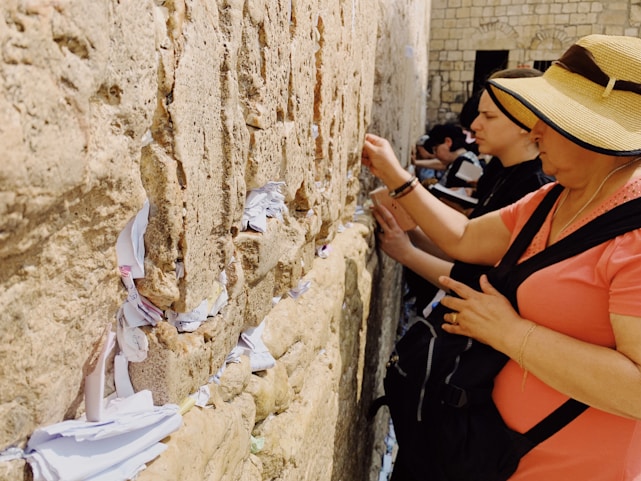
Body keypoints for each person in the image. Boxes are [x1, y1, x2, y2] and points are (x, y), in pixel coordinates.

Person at [362, 34, 641, 480]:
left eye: (548, 119)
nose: (536, 132)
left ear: (589, 130)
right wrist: (397, 178)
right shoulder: (553, 199)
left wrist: (511, 334)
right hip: (495, 455)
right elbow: (465, 238)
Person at [377, 68, 552, 315]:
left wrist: (407, 252)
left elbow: (482, 280)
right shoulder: (500, 169)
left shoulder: (535, 186)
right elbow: (467, 249)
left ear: (525, 123)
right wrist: (411, 231)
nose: (474, 124)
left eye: (488, 116)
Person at [423, 123, 483, 189]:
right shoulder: (463, 159)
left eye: (436, 149)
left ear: (448, 142)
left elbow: (457, 195)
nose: (435, 155)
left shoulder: (464, 163)